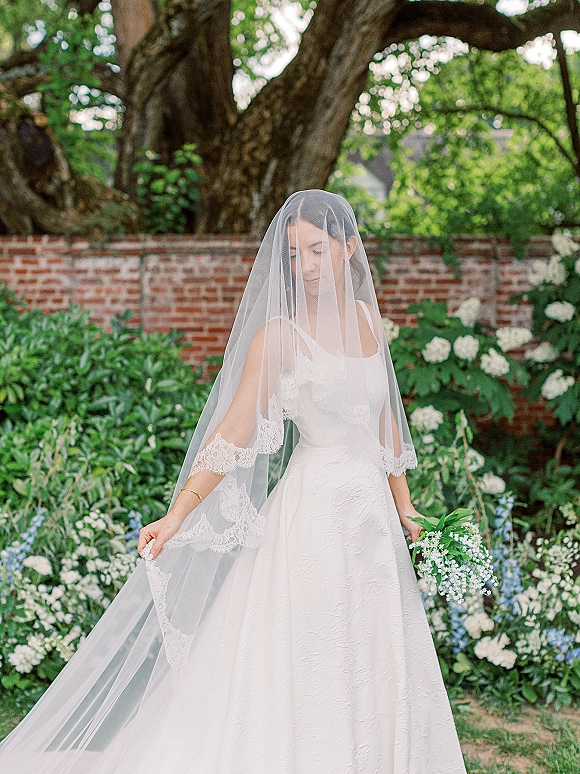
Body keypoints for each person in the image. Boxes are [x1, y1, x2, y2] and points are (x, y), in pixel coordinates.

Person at [0, 190, 466, 773]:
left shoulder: (370, 322)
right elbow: (236, 428)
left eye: (318, 252)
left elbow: (383, 425)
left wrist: (409, 511)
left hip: (371, 518)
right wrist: (179, 513)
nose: (306, 268)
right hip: (313, 518)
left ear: (350, 249)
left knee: (373, 645)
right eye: (295, 256)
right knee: (313, 649)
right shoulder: (279, 338)